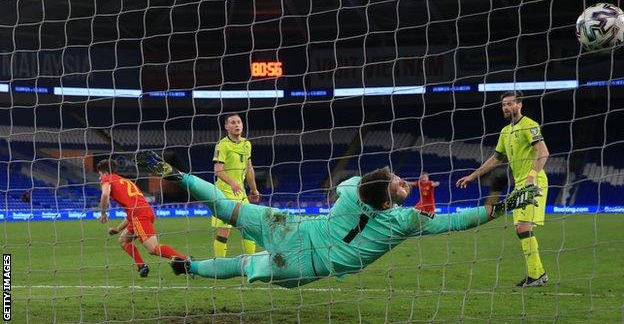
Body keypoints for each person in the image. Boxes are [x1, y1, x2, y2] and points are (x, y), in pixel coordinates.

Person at [136, 151, 538, 288]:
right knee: (243, 265)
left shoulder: (349, 189)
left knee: (227, 208)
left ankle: (178, 175)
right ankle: (189, 267)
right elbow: (460, 220)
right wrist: (504, 204)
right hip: (305, 265)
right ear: (390, 198)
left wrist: (409, 196)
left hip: (292, 226)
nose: (404, 181)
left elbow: (371, 187)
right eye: (399, 182)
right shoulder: (403, 223)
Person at [456, 90, 550, 287]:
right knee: (522, 228)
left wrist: (532, 176)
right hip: (520, 184)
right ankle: (538, 274)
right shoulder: (505, 132)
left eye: (510, 103)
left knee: (523, 226)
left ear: (519, 104)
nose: (506, 107)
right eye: (503, 105)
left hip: (533, 181)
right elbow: (496, 158)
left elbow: (543, 152)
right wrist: (473, 176)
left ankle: (536, 275)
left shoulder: (530, 125)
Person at [97, 159, 187, 277]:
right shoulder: (124, 181)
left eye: (99, 175)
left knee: (152, 248)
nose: (99, 179)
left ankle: (186, 260)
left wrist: (103, 213)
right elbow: (131, 214)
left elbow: (104, 194)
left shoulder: (107, 178)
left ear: (105, 173)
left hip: (139, 215)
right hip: (144, 212)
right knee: (123, 240)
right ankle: (142, 267)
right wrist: (118, 229)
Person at [211, 113, 260, 257]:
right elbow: (218, 171)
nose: (237, 125)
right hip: (224, 193)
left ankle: (251, 262)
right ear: (226, 126)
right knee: (224, 230)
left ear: (242, 125)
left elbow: (249, 168)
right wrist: (232, 182)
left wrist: (254, 189)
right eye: (233, 122)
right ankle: (219, 264)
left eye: (239, 122)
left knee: (249, 226)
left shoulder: (247, 144)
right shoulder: (222, 145)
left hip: (241, 193)